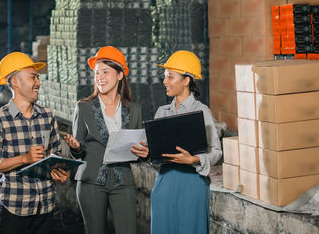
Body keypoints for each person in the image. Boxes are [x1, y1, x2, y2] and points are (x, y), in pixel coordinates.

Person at [131, 50, 222, 234]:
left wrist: (194, 160)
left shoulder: (201, 111)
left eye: (170, 77)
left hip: (193, 185)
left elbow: (216, 151)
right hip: (165, 184)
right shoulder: (162, 112)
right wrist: (149, 154)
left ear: (186, 80)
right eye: (165, 77)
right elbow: (157, 158)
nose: (165, 82)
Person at [0, 52, 69, 234]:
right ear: (15, 82)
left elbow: (55, 154)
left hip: (45, 206)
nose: (38, 82)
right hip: (15, 207)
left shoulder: (47, 115)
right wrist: (24, 159)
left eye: (37, 77)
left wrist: (57, 170)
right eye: (33, 77)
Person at [64, 46, 145, 234]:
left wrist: (144, 153)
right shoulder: (83, 108)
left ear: (119, 75)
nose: (100, 77)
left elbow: (136, 150)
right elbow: (78, 151)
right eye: (96, 73)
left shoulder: (134, 110)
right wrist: (76, 147)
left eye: (106, 72)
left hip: (122, 182)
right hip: (90, 181)